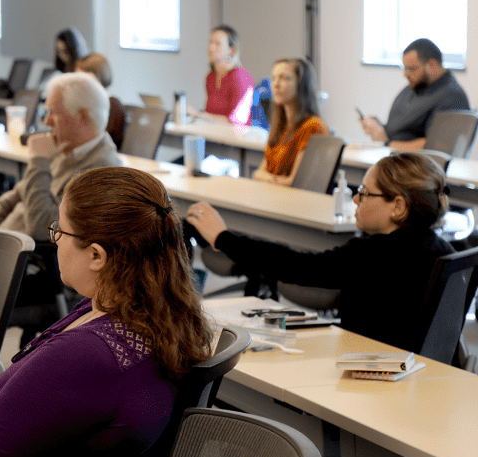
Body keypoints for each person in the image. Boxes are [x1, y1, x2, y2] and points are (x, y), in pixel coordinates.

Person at [0, 167, 212, 457]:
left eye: (60, 231)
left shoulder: (88, 352)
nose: (56, 240)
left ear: (96, 255)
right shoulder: (154, 315)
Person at [187, 152, 454, 351]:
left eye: (364, 193)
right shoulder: (447, 252)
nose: (356, 199)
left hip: (370, 370)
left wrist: (223, 238)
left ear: (398, 206)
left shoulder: (373, 254)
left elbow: (296, 265)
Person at [0, 72, 122, 243]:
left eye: (53, 113)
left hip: (23, 255)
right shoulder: (65, 149)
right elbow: (12, 198)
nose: (47, 122)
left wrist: (39, 160)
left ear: (83, 116)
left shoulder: (101, 172)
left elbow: (41, 228)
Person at [360, 38, 470, 149]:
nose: (405, 74)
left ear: (432, 65)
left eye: (411, 69)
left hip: (409, 159)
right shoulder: (417, 86)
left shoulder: (451, 97)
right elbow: (402, 131)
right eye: (405, 68)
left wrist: (386, 143)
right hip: (392, 153)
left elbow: (436, 146)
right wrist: (378, 128)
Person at [252, 57, 328, 186]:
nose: (276, 84)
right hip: (272, 193)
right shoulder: (280, 125)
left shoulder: (313, 126)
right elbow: (258, 173)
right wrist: (273, 179)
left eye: (284, 78)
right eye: (273, 78)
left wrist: (268, 178)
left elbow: (295, 182)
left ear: (301, 84)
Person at [188, 25, 255, 126]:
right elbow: (210, 114)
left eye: (218, 44)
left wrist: (197, 115)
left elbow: (236, 121)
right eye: (210, 42)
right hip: (214, 132)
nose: (211, 47)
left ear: (231, 50)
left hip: (236, 134)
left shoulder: (240, 76)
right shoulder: (210, 77)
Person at [76, 52, 125, 149]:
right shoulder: (83, 103)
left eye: (84, 78)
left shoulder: (113, 104)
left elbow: (100, 140)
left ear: (99, 76)